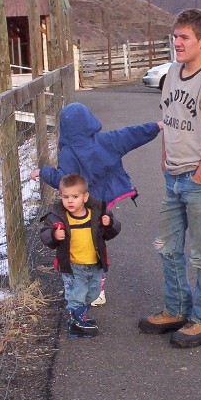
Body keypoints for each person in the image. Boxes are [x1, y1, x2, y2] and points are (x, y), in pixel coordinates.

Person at [138, 8, 201, 348]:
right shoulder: (172, 74)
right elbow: (169, 118)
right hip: (173, 177)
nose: (176, 43)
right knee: (168, 248)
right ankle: (177, 309)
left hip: (199, 181)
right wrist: (165, 157)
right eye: (175, 36)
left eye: (184, 37)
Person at [32, 102, 163, 306]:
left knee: (81, 242)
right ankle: (97, 287)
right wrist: (156, 126)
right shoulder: (106, 141)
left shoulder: (68, 152)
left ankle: (82, 284)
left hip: (80, 207)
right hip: (101, 203)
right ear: (89, 121)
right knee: (97, 241)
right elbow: (130, 135)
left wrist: (43, 171)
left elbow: (61, 179)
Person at [40, 173, 121, 338]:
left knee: (93, 291)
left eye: (75, 197)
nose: (70, 201)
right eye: (65, 197)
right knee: (77, 293)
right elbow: (45, 234)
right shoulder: (57, 218)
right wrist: (54, 235)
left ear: (85, 197)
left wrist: (110, 224)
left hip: (94, 263)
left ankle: (80, 316)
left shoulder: (97, 214)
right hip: (72, 265)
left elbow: (112, 232)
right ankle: (75, 322)